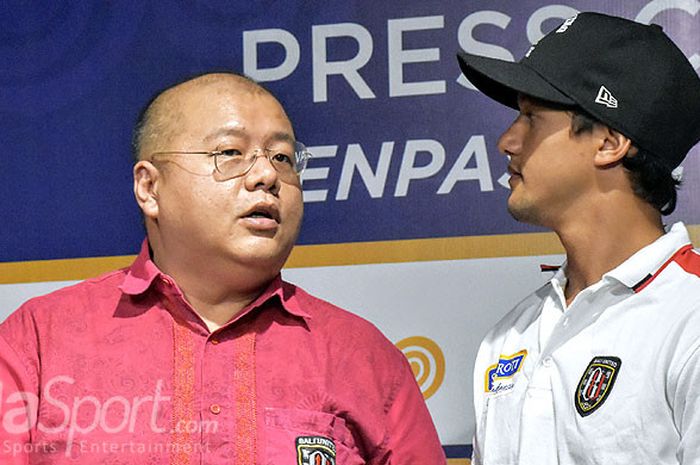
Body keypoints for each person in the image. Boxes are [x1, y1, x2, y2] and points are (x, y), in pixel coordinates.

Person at [0, 73, 446, 464]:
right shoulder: (38, 343)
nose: (265, 176)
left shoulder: (363, 358)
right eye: (230, 152)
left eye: (283, 158)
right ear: (149, 187)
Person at [457, 12, 700, 465]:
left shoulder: (691, 317)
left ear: (609, 142)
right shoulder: (509, 337)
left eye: (531, 116)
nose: (507, 140)